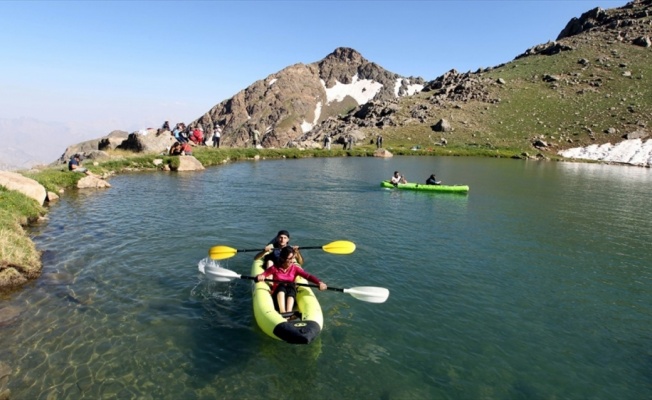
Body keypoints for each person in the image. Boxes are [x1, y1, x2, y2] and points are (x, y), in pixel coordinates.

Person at [256, 246, 327, 315]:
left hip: (290, 297)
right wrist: (260, 276)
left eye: (293, 258)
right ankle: (283, 312)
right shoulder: (275, 268)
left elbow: (308, 276)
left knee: (291, 285)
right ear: (283, 258)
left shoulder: (295, 268)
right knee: (281, 285)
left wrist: (319, 282)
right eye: (289, 258)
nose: (292, 261)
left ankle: (288, 312)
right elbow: (264, 274)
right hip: (277, 298)